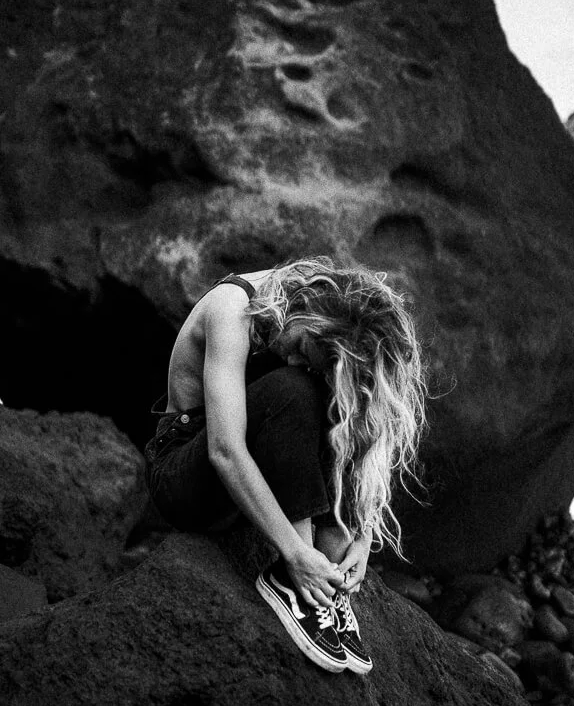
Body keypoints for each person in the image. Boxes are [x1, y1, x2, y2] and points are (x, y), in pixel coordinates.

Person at [144, 257, 428, 674]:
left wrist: (362, 535)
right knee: (294, 388)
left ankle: (328, 584)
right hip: (186, 479)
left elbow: (359, 429)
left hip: (247, 489)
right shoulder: (233, 308)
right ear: (313, 314)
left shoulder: (325, 308)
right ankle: (293, 578)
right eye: (304, 348)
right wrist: (295, 553)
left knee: (341, 405)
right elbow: (224, 450)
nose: (297, 360)